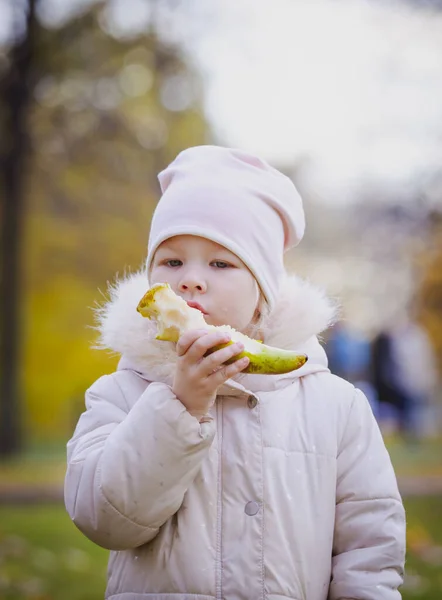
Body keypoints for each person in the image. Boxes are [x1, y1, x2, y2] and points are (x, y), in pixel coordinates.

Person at [64, 146, 406, 600]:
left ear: (262, 294)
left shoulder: (337, 406)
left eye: (221, 263)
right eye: (171, 261)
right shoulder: (120, 394)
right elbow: (106, 519)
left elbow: (370, 549)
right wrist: (178, 408)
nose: (190, 280)